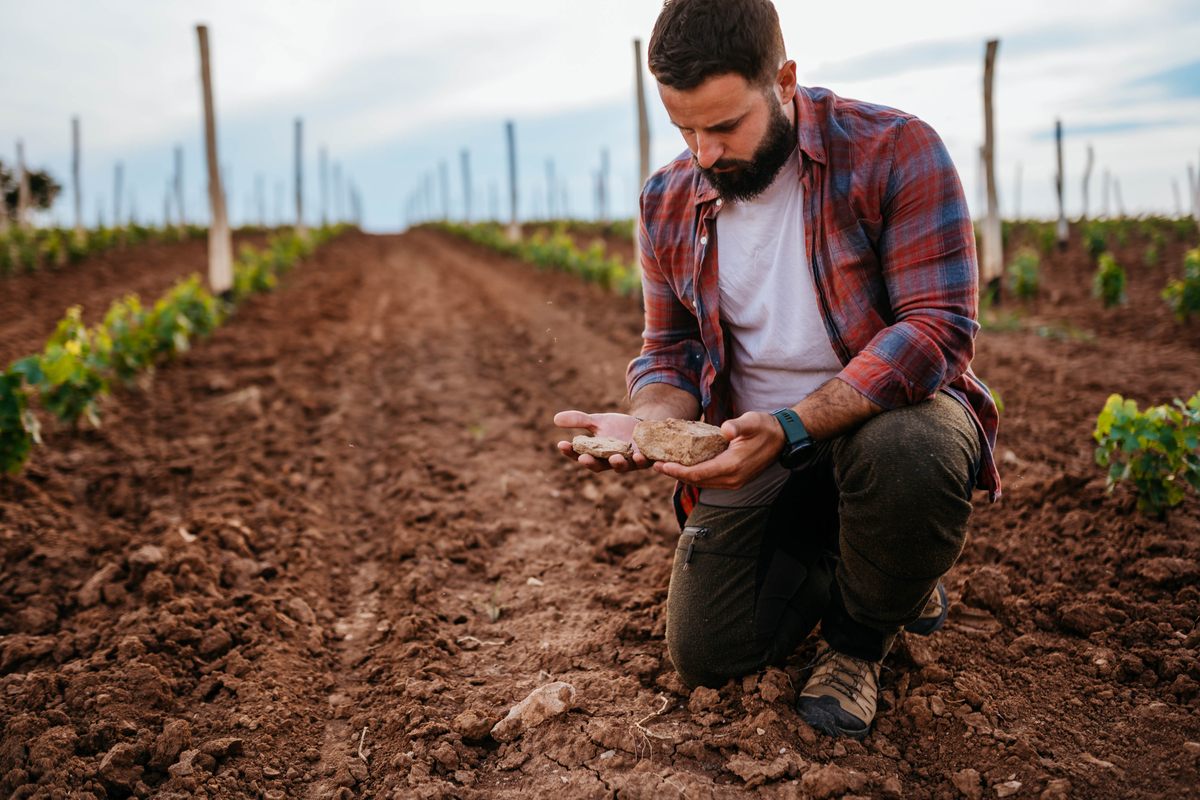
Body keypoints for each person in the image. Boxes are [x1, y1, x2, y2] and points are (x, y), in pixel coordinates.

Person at [554, 0, 1000, 740]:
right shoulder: (667, 201)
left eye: (724, 126)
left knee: (910, 453)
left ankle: (861, 638)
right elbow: (668, 353)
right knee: (710, 655)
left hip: (877, 425)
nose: (703, 152)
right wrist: (650, 424)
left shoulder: (897, 150)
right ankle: (881, 562)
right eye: (685, 130)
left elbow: (937, 331)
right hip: (753, 447)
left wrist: (795, 425)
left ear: (784, 80)